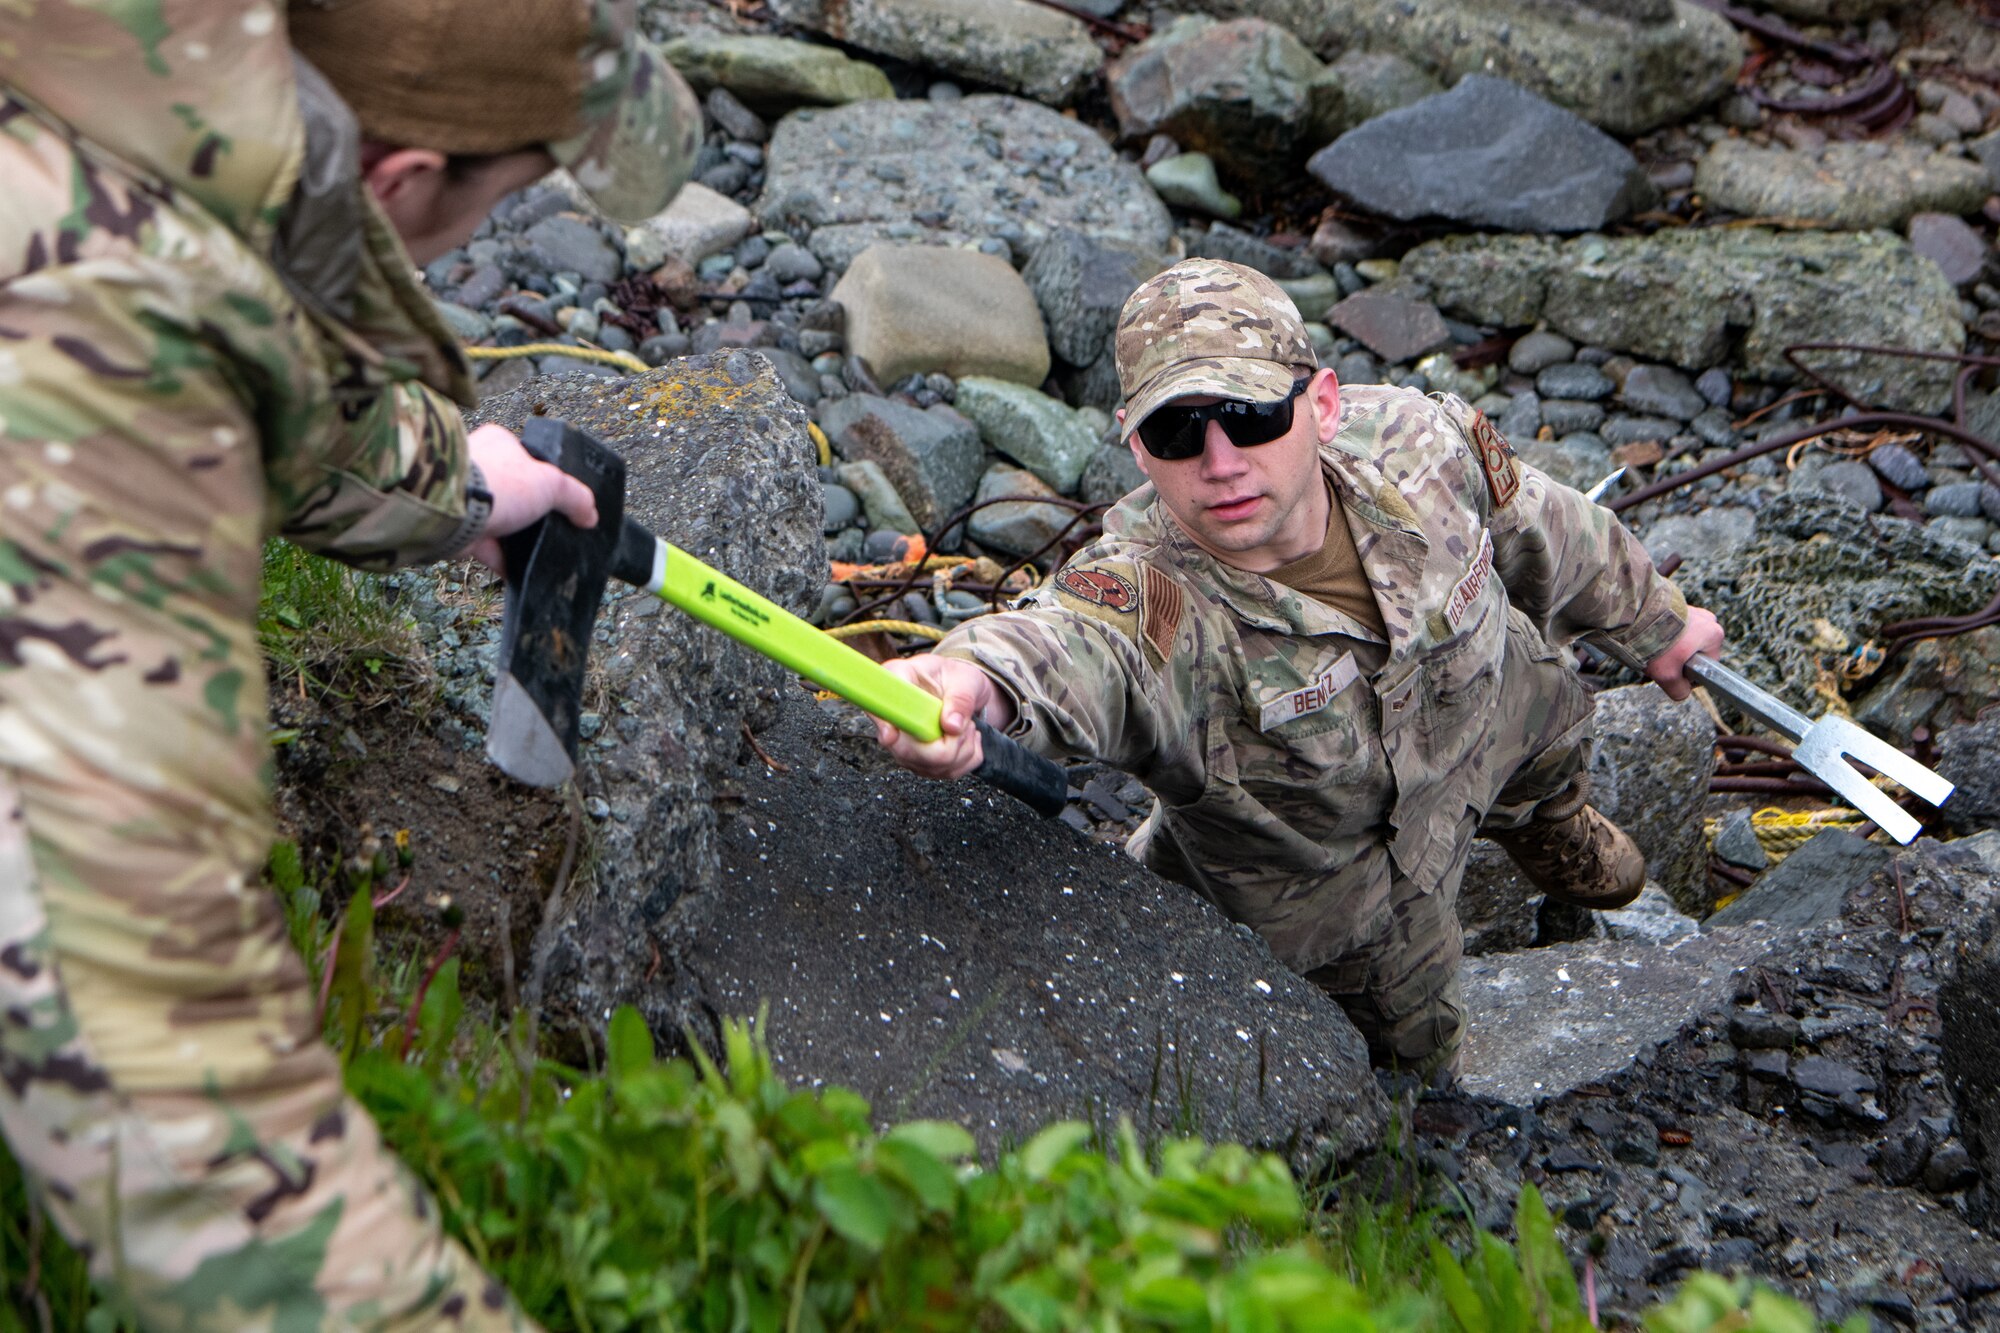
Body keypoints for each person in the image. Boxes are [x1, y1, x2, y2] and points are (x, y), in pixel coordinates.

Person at [0, 0, 698, 1325]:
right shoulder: (89, 366)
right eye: (498, 201)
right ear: (401, 179)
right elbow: (151, 1070)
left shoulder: (109, 75)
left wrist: (458, 487)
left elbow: (209, 289)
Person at [875, 260, 1725, 1082]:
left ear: (1320, 402)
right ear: (1137, 448)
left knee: (1547, 734)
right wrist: (971, 685)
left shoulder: (1419, 445)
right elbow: (1072, 644)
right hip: (1346, 892)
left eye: (1249, 415)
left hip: (1496, 714)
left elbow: (1545, 524)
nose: (1220, 461)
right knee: (1411, 1064)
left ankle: (1547, 825)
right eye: (1177, 431)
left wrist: (1657, 622)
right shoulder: (1149, 593)